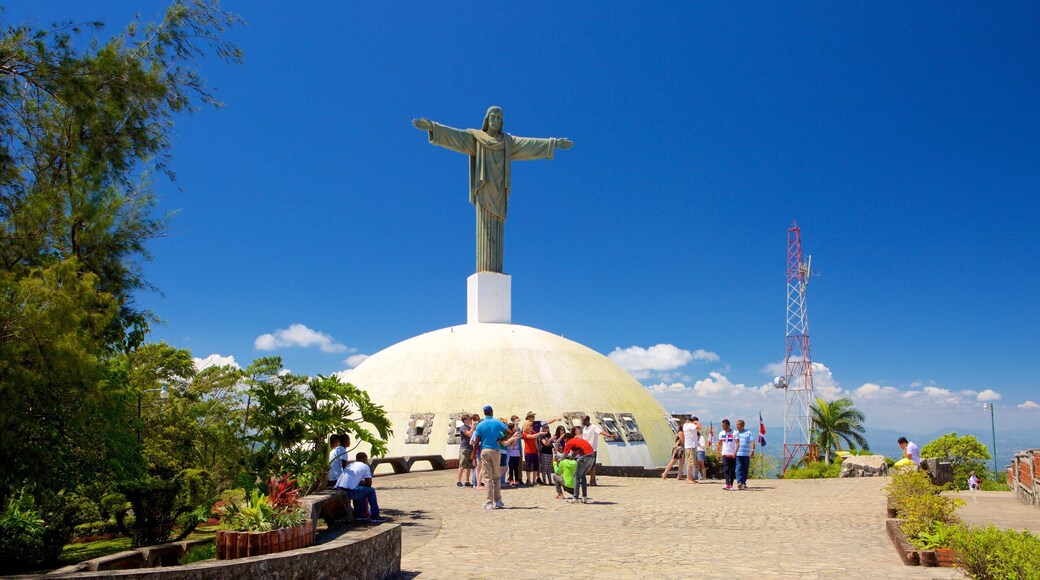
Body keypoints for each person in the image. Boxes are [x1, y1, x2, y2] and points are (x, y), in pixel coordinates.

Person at [412, 107, 574, 273]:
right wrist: (433, 127)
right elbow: (456, 137)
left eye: (499, 117)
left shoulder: (508, 142)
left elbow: (529, 145)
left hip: (499, 194)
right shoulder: (476, 137)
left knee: (498, 232)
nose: (496, 120)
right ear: (487, 119)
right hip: (483, 192)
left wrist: (553, 143)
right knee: (484, 234)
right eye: (493, 117)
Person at [472, 405, 508, 509]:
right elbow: (509, 431)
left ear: (484, 413)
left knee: (487, 477)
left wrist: (473, 455)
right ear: (492, 412)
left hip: (484, 450)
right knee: (497, 476)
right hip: (496, 449)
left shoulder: (480, 425)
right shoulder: (497, 422)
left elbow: (477, 441)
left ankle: (488, 502)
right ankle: (498, 501)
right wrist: (501, 439)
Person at [333, 452, 384, 523]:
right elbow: (369, 484)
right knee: (371, 491)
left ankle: (359, 514)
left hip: (339, 489)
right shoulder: (365, 466)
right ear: (365, 459)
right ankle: (375, 516)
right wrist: (363, 482)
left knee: (358, 488)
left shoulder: (350, 465)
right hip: (349, 492)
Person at [581, 415, 618, 486]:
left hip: (592, 449)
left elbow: (601, 432)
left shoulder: (594, 427)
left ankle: (592, 481)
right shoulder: (584, 428)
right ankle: (592, 480)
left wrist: (609, 435)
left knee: (592, 465)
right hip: (585, 448)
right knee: (585, 465)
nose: (582, 422)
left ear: (588, 420)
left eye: (584, 421)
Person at [563, 433, 595, 503]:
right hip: (592, 457)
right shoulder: (576, 441)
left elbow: (564, 455)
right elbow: (575, 453)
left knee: (576, 477)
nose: (564, 442)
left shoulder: (569, 442)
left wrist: (560, 460)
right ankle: (585, 497)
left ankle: (575, 497)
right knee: (583, 476)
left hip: (585, 457)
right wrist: (571, 458)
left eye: (564, 440)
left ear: (567, 439)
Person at [734, 419, 755, 490]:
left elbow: (752, 441)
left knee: (745, 469)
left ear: (742, 425)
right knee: (738, 467)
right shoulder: (735, 433)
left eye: (738, 425)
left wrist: (752, 450)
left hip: (746, 454)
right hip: (738, 453)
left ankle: (743, 482)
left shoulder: (748, 433)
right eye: (736, 425)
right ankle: (739, 482)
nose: (737, 426)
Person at [716, 419, 737, 491]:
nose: (723, 427)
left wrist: (735, 451)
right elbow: (719, 444)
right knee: (726, 469)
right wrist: (718, 453)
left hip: (732, 454)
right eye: (722, 425)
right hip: (725, 453)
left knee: (732, 470)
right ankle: (727, 483)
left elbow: (737, 443)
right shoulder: (721, 433)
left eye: (724, 425)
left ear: (728, 425)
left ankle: (731, 484)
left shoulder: (735, 433)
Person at [456, 415, 475, 487]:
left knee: (469, 466)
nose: (470, 420)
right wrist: (473, 425)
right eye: (468, 419)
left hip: (470, 448)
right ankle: (458, 481)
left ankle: (467, 481)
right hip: (464, 448)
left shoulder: (470, 427)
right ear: (464, 420)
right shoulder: (463, 427)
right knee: (462, 465)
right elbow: (469, 433)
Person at [682, 416, 700, 484]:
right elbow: (699, 427)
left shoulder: (685, 425)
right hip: (691, 446)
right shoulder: (690, 425)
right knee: (690, 462)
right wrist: (697, 422)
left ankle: (690, 477)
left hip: (688, 446)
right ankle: (689, 478)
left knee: (690, 462)